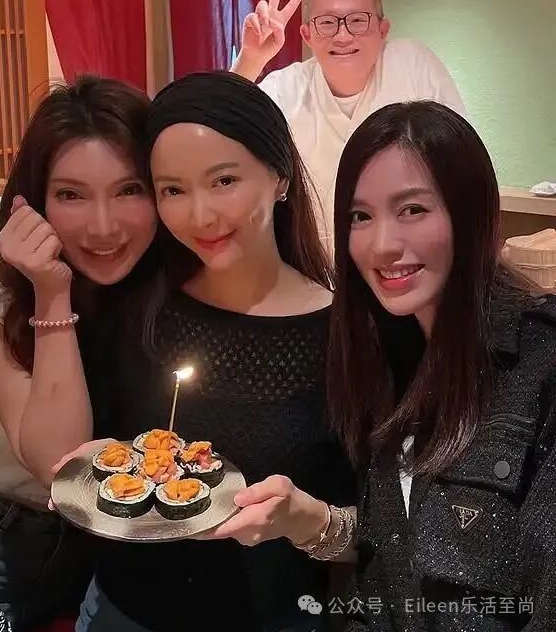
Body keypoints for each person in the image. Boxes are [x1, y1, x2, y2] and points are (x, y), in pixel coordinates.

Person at [217, 101, 556, 630]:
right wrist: (303, 518)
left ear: (471, 213)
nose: (382, 246)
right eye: (360, 216)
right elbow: (400, 547)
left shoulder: (539, 367)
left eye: (413, 210)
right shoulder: (384, 351)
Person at [74, 71, 355, 632]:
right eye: (172, 190)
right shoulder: (137, 306)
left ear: (279, 175)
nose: (199, 216)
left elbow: (384, 532)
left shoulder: (343, 335)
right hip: (120, 611)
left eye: (224, 180)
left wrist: (306, 519)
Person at [0, 76, 158, 630]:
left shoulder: (158, 276)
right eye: (71, 194)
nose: (103, 227)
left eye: (129, 190)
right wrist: (52, 291)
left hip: (96, 549)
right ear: (33, 200)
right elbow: (60, 463)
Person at [232, 0, 466, 250]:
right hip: (315, 265)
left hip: (410, 256)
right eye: (327, 23)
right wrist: (251, 60)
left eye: (357, 21)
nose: (342, 36)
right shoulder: (287, 88)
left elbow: (464, 165)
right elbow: (218, 129)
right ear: (307, 35)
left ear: (383, 30)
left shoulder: (412, 66)